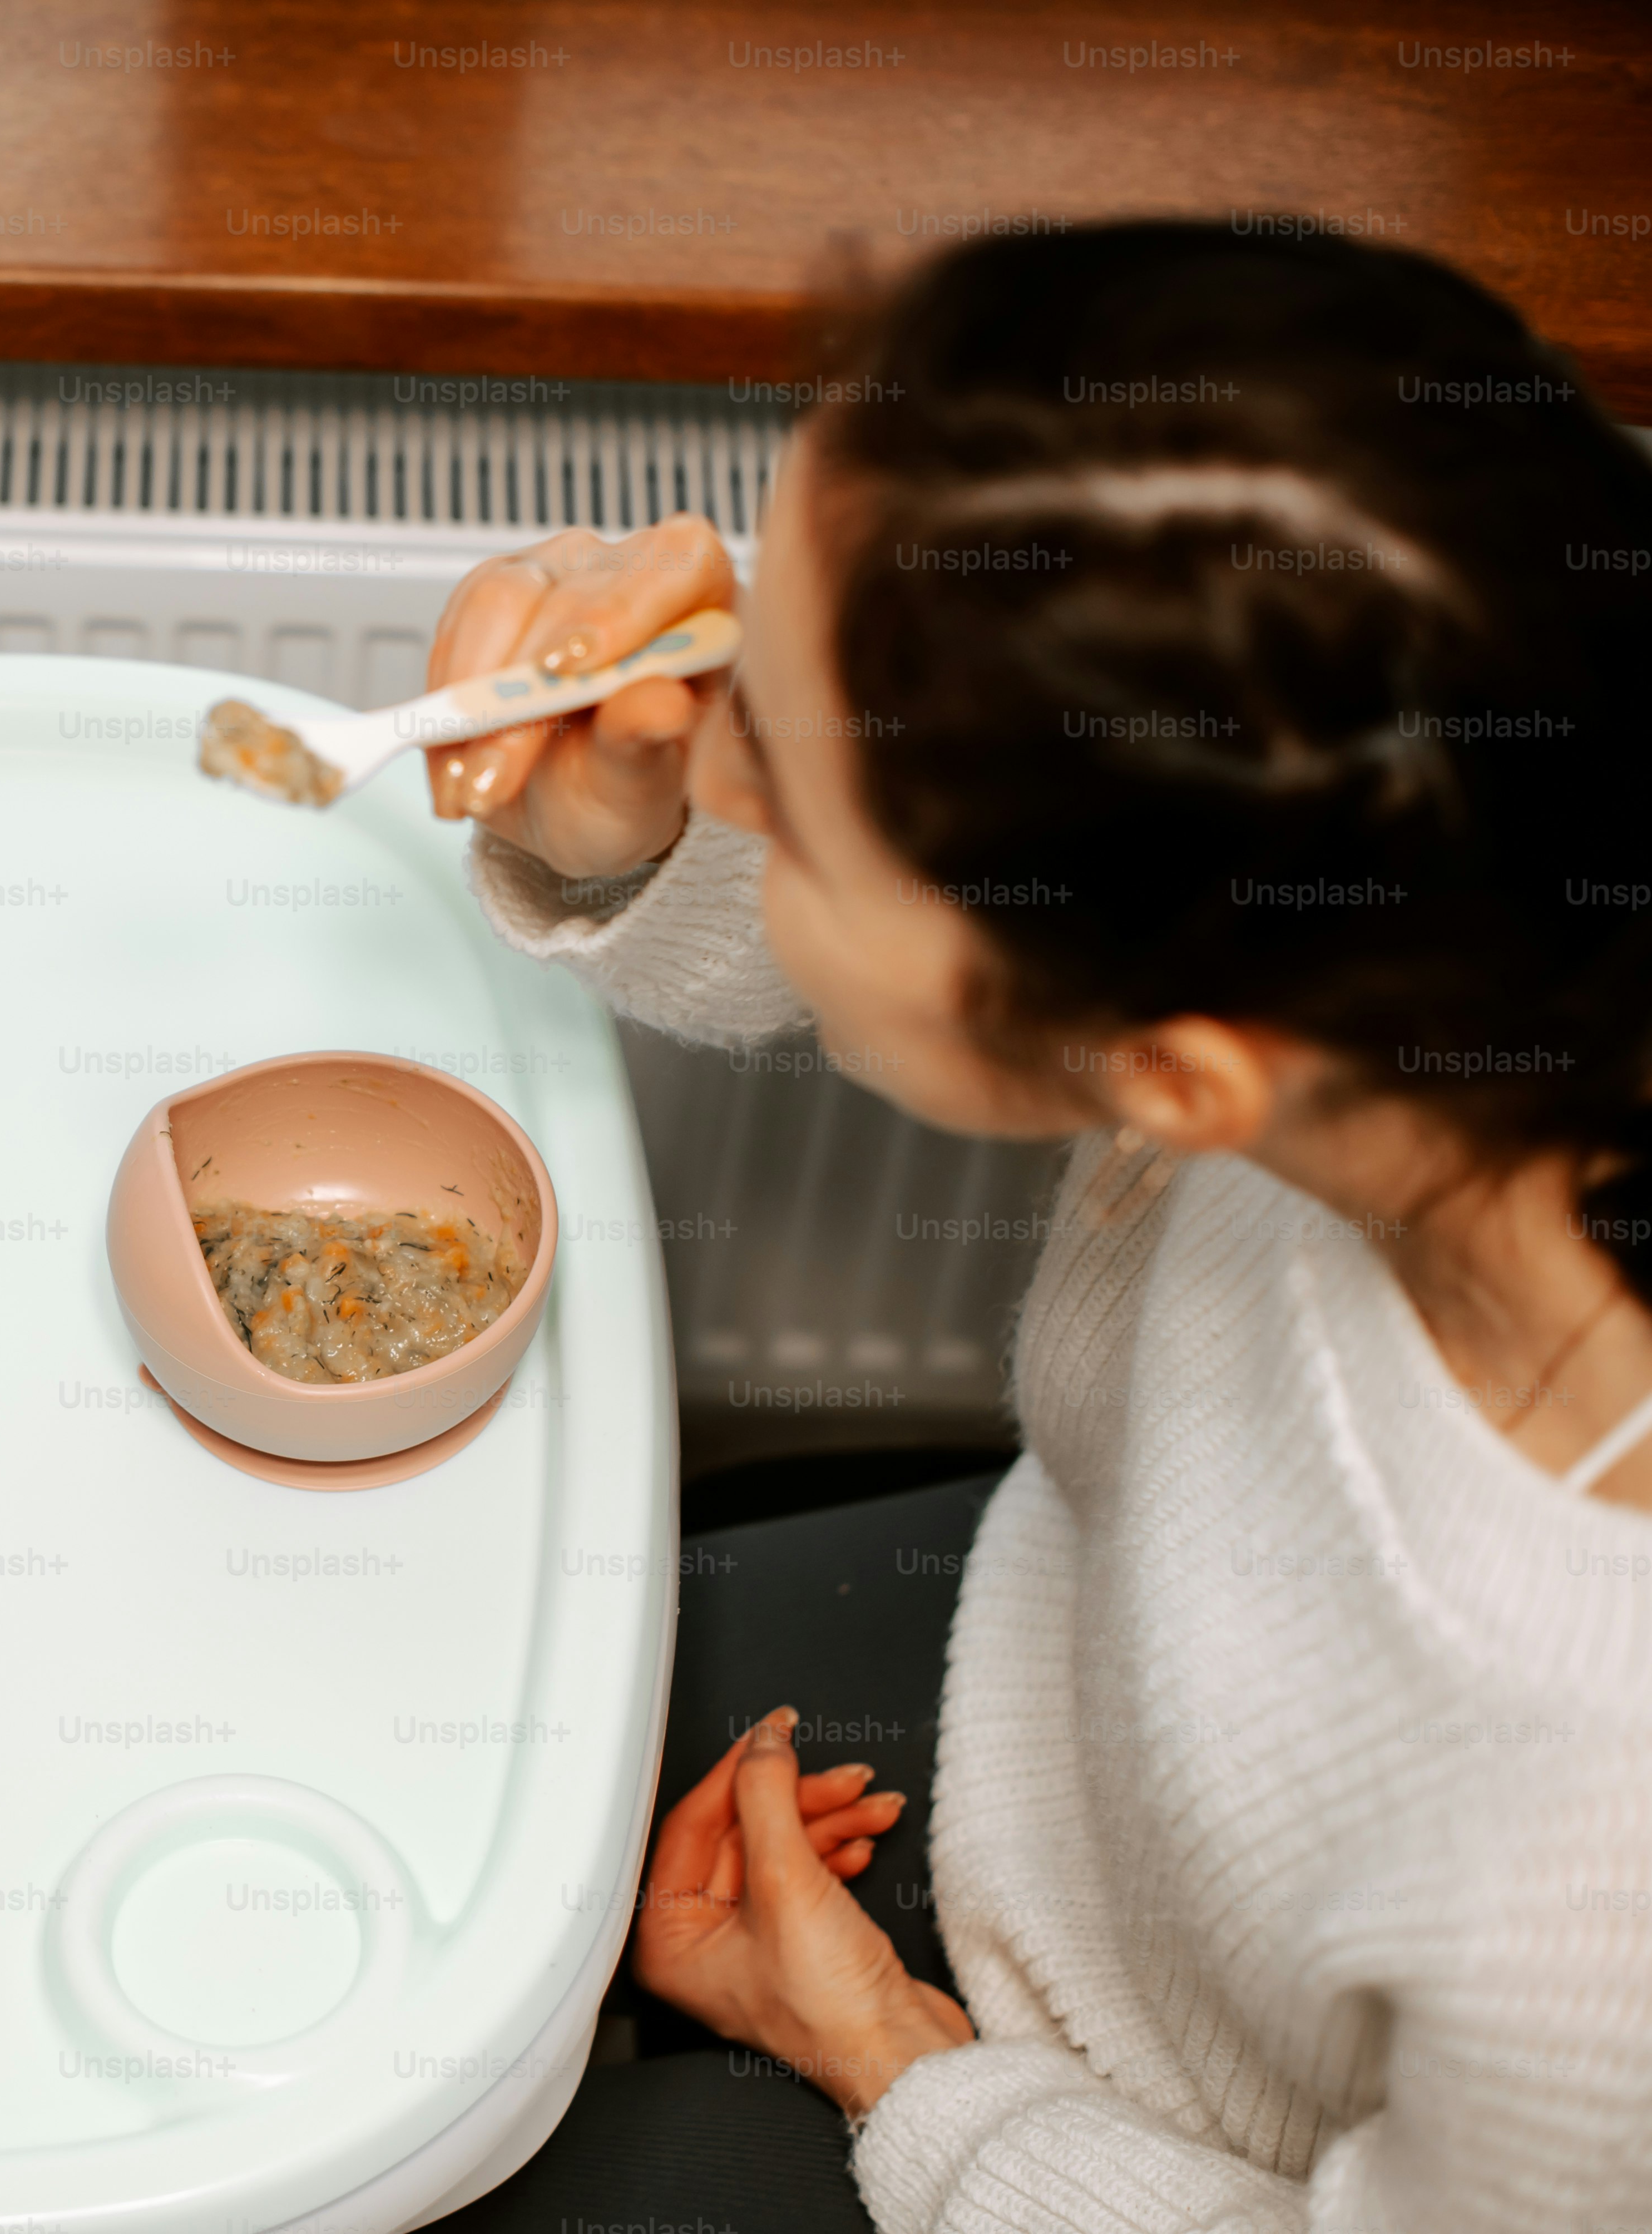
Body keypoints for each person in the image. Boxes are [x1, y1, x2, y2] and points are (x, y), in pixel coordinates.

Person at [425, 222, 1652, 2231]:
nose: (692, 716)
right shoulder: (1416, 939)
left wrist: (901, 2067)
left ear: (1177, 1081)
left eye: (779, 782)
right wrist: (645, 829)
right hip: (1048, 1711)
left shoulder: (1596, 1908)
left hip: (1114, 2133)